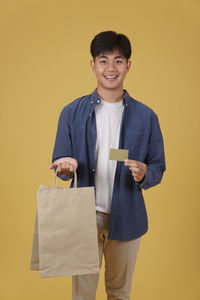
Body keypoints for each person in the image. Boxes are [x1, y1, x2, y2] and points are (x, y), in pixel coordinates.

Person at [49, 31, 166, 300]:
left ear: (128, 65)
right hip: (84, 215)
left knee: (120, 293)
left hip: (128, 216)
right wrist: (64, 167)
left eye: (118, 60)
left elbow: (158, 165)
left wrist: (145, 173)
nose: (110, 68)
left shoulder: (146, 116)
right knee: (82, 294)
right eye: (103, 61)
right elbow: (60, 161)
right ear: (93, 65)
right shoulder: (72, 112)